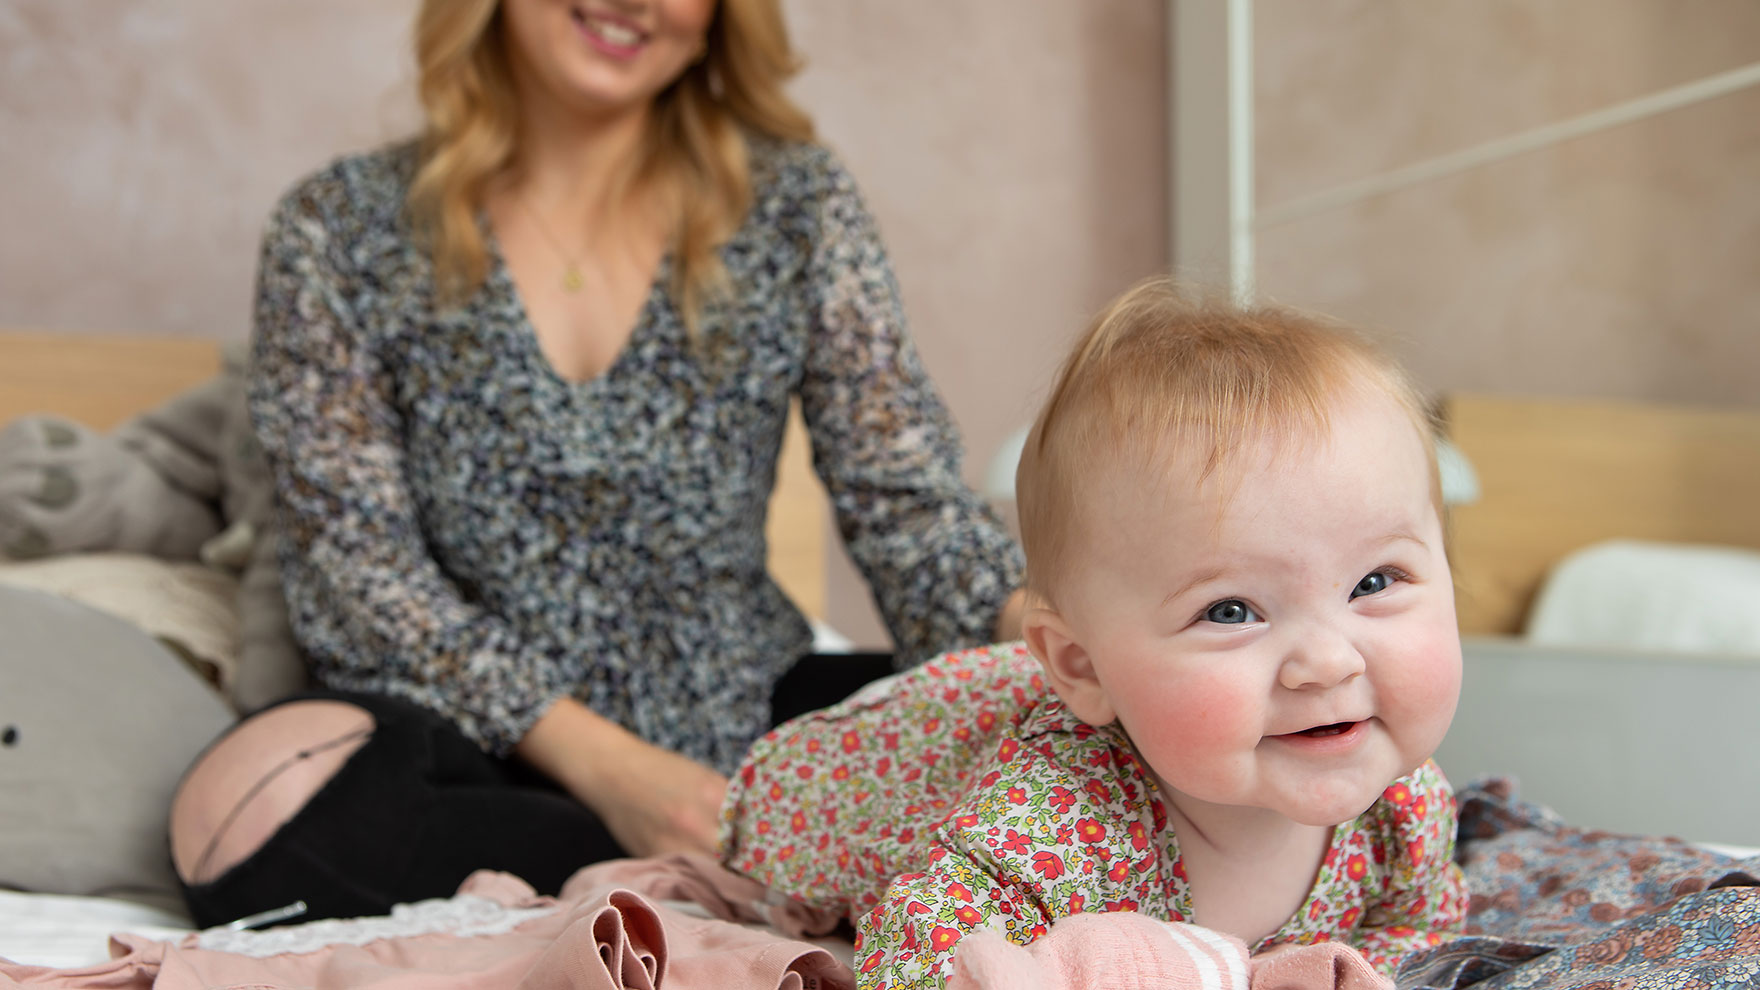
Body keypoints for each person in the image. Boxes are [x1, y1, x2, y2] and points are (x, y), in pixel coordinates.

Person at [167, 0, 1024, 930]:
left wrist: (1060, 643)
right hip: (479, 749)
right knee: (239, 813)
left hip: (746, 732)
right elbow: (358, 574)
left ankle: (679, 875)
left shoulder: (795, 204)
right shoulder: (336, 228)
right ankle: (724, 881)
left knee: (1038, 742)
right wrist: (616, 774)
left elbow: (905, 501)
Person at [721, 277, 1468, 988]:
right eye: (1231, 610)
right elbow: (920, 954)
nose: (1328, 663)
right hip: (878, 762)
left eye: (1376, 582)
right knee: (758, 858)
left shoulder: (1405, 808)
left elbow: (1414, 926)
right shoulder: (1055, 825)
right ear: (1082, 666)